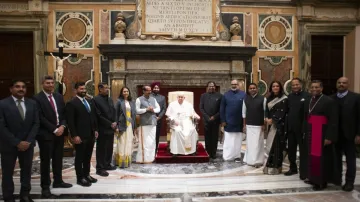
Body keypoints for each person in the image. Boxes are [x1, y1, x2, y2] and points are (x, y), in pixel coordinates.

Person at [0, 80, 39, 202]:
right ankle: (8, 196)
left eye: (23, 87)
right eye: (17, 87)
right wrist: (17, 142)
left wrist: (28, 141)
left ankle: (25, 195)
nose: (21, 89)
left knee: (26, 171)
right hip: (9, 145)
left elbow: (36, 123)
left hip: (28, 144)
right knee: (7, 172)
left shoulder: (32, 103)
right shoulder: (2, 104)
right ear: (11, 89)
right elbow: (1, 126)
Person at [33, 76, 72, 198]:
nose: (50, 85)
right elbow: (40, 117)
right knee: (45, 162)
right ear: (42, 84)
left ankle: (58, 181)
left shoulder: (58, 96)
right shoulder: (37, 98)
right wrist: (54, 129)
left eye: (52, 83)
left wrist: (63, 126)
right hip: (46, 135)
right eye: (47, 83)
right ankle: (45, 187)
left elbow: (64, 114)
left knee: (58, 159)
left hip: (60, 133)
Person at [303, 80, 340, 190]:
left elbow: (333, 120)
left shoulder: (328, 101)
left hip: (321, 131)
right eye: (312, 87)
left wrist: (329, 137)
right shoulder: (309, 99)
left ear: (322, 88)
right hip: (310, 130)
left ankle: (321, 182)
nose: (314, 89)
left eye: (317, 87)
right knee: (311, 156)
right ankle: (312, 177)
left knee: (321, 158)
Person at [66, 82, 99, 187]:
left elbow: (93, 117)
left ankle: (87, 175)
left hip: (90, 134)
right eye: (81, 89)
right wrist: (74, 135)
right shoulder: (72, 103)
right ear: (76, 90)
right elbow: (70, 122)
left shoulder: (89, 101)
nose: (83, 90)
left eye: (84, 88)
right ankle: (80, 178)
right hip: (80, 136)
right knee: (79, 158)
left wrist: (95, 130)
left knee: (88, 157)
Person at [331, 77, 360, 191]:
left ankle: (349, 182)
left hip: (350, 135)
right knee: (336, 158)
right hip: (335, 135)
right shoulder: (331, 98)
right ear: (336, 84)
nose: (341, 84)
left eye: (344, 83)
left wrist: (359, 134)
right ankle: (337, 179)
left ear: (348, 84)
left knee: (350, 160)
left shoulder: (356, 98)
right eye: (339, 82)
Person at [284, 78, 311, 179]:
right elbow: (287, 112)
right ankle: (293, 168)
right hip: (291, 129)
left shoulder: (307, 96)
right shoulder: (289, 97)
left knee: (303, 152)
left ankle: (304, 171)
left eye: (297, 84)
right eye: (293, 85)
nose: (295, 86)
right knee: (291, 150)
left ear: (301, 85)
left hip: (302, 129)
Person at [263, 81, 288, 175]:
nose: (275, 87)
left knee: (277, 146)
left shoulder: (284, 98)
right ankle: (269, 166)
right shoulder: (268, 98)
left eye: (277, 86)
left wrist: (273, 120)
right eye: (273, 86)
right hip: (271, 126)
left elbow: (284, 112)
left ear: (280, 87)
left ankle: (276, 167)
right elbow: (266, 110)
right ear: (271, 88)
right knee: (269, 145)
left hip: (279, 126)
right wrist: (266, 118)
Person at [93, 83, 117, 177]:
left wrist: (115, 122)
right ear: (100, 89)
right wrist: (109, 123)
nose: (107, 89)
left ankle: (107, 164)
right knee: (101, 149)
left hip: (111, 127)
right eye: (105, 88)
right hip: (102, 128)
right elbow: (98, 115)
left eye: (108, 87)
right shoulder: (95, 100)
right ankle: (100, 168)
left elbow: (113, 111)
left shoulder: (110, 99)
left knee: (109, 147)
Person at [220, 79, 246, 162]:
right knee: (228, 141)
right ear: (230, 85)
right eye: (232, 84)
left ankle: (237, 156)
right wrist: (223, 120)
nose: (234, 86)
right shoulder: (226, 95)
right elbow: (222, 109)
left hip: (239, 122)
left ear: (239, 85)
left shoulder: (243, 95)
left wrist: (244, 123)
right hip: (228, 122)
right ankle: (227, 156)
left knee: (238, 141)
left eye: (236, 84)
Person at [242, 83, 266, 167]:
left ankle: (258, 160)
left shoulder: (263, 99)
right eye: (250, 88)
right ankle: (250, 159)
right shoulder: (245, 99)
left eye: (254, 88)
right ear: (248, 90)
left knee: (258, 144)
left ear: (257, 89)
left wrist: (264, 124)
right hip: (249, 124)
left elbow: (265, 112)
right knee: (250, 143)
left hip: (259, 125)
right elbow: (244, 113)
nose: (252, 89)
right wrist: (244, 125)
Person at [135, 85, 160, 163]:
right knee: (144, 141)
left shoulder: (153, 99)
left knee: (152, 141)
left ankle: (151, 158)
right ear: (144, 91)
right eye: (148, 90)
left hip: (153, 123)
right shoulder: (139, 99)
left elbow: (158, 109)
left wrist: (153, 110)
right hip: (144, 123)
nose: (150, 92)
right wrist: (146, 109)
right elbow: (137, 110)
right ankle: (143, 159)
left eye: (150, 90)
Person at [114, 87, 137, 168]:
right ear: (121, 92)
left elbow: (133, 115)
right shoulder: (119, 101)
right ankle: (120, 161)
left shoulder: (132, 102)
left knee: (128, 142)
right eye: (124, 91)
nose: (126, 93)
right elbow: (116, 114)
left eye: (127, 91)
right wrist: (116, 126)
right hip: (122, 124)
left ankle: (126, 161)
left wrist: (135, 127)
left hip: (130, 125)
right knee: (122, 142)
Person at [200, 81, 222, 159]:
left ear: (215, 87)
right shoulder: (203, 96)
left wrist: (214, 117)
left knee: (214, 137)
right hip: (206, 120)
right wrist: (207, 117)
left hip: (215, 120)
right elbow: (201, 108)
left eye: (213, 86)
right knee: (207, 137)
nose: (211, 87)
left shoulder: (219, 96)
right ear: (207, 87)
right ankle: (208, 152)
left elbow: (221, 109)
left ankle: (213, 153)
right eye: (210, 86)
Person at [150, 82, 167, 153]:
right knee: (150, 135)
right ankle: (150, 149)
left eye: (157, 88)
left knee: (157, 135)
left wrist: (159, 117)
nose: (156, 89)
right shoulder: (149, 96)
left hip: (158, 119)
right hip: (149, 118)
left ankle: (155, 149)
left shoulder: (162, 97)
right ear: (152, 88)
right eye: (155, 88)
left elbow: (164, 108)